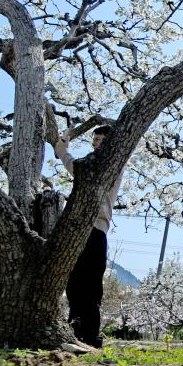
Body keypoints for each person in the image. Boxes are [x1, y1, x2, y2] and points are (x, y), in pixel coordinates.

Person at [53, 124, 124, 348]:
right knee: (75, 284)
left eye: (100, 140)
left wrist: (62, 152)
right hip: (80, 230)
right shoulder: (97, 163)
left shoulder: (112, 164)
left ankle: (90, 336)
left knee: (90, 286)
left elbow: (80, 170)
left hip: (95, 230)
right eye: (94, 141)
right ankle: (75, 331)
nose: (96, 145)